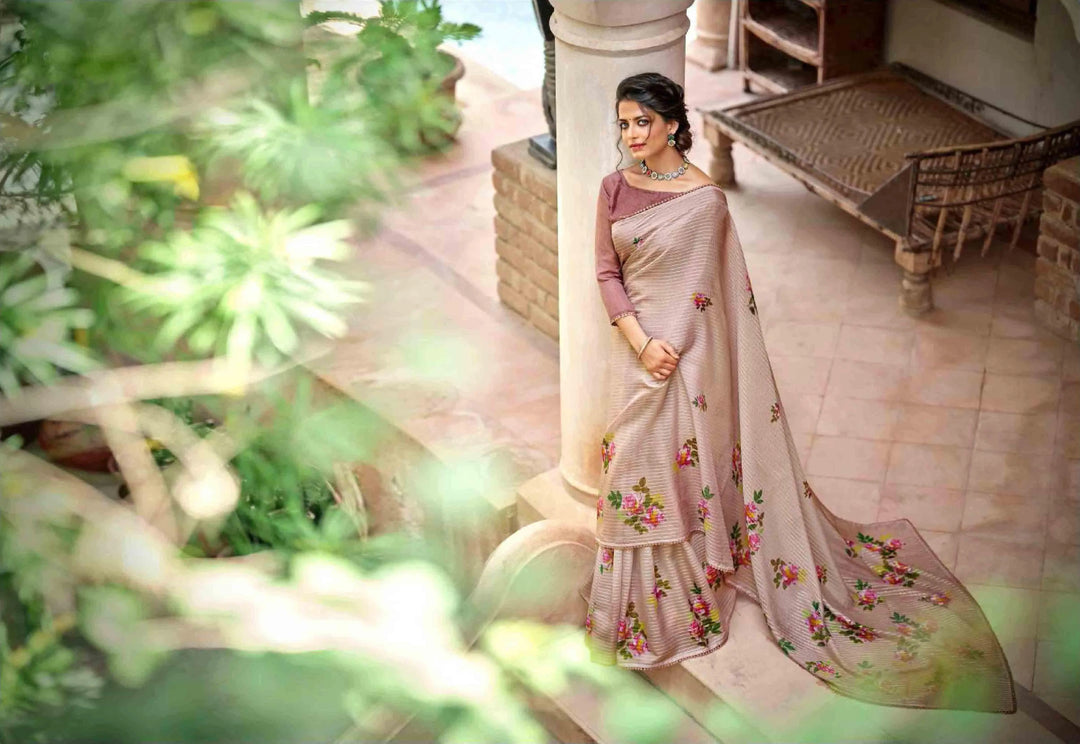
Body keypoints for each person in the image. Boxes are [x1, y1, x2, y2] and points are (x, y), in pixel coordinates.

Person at [583, 72, 1015, 713]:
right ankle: (628, 614)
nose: (631, 135)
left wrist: (670, 353)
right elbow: (605, 269)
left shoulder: (704, 203)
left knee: (670, 478)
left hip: (686, 363)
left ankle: (680, 615)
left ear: (673, 124)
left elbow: (709, 301)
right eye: (623, 124)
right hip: (637, 354)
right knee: (628, 473)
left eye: (642, 122)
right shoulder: (613, 188)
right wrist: (639, 338)